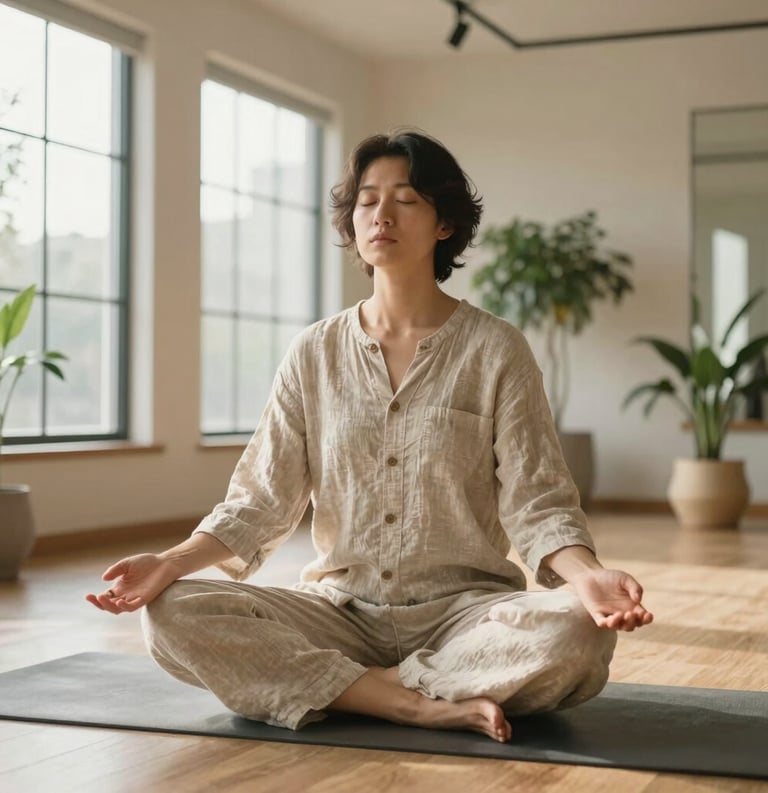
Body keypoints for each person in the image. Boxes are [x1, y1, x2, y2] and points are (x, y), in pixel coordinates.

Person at [86, 129, 653, 743]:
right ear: (352, 222)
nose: (381, 214)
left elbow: (537, 500)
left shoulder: (497, 349)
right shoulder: (314, 351)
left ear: (444, 224)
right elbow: (260, 500)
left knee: (579, 631)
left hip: (465, 615)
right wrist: (168, 564)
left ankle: (352, 687)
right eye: (366, 200)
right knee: (171, 612)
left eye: (405, 199)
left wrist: (587, 574)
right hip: (339, 614)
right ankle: (413, 701)